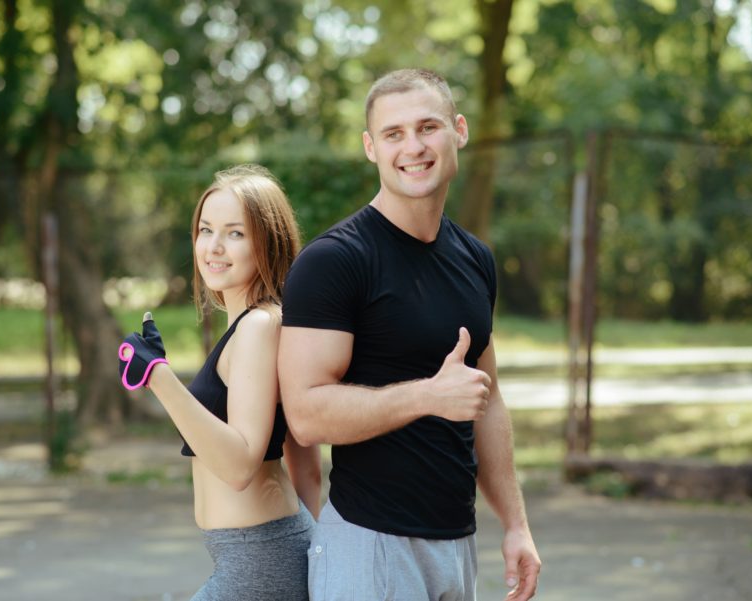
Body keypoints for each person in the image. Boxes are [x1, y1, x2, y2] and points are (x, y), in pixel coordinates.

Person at [278, 69, 541, 600]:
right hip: (369, 546)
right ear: (370, 148)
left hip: (456, 544)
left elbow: (486, 402)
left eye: (428, 127)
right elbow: (304, 416)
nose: (413, 147)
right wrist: (427, 396)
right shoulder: (334, 262)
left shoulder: (476, 259)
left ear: (458, 131)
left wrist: (516, 523)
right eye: (394, 134)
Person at [118, 164, 321, 601]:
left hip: (260, 558)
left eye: (235, 233)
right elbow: (305, 464)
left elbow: (239, 467)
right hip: (258, 553)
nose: (213, 247)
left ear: (268, 242)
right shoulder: (258, 324)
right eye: (205, 230)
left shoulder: (258, 327)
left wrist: (157, 377)